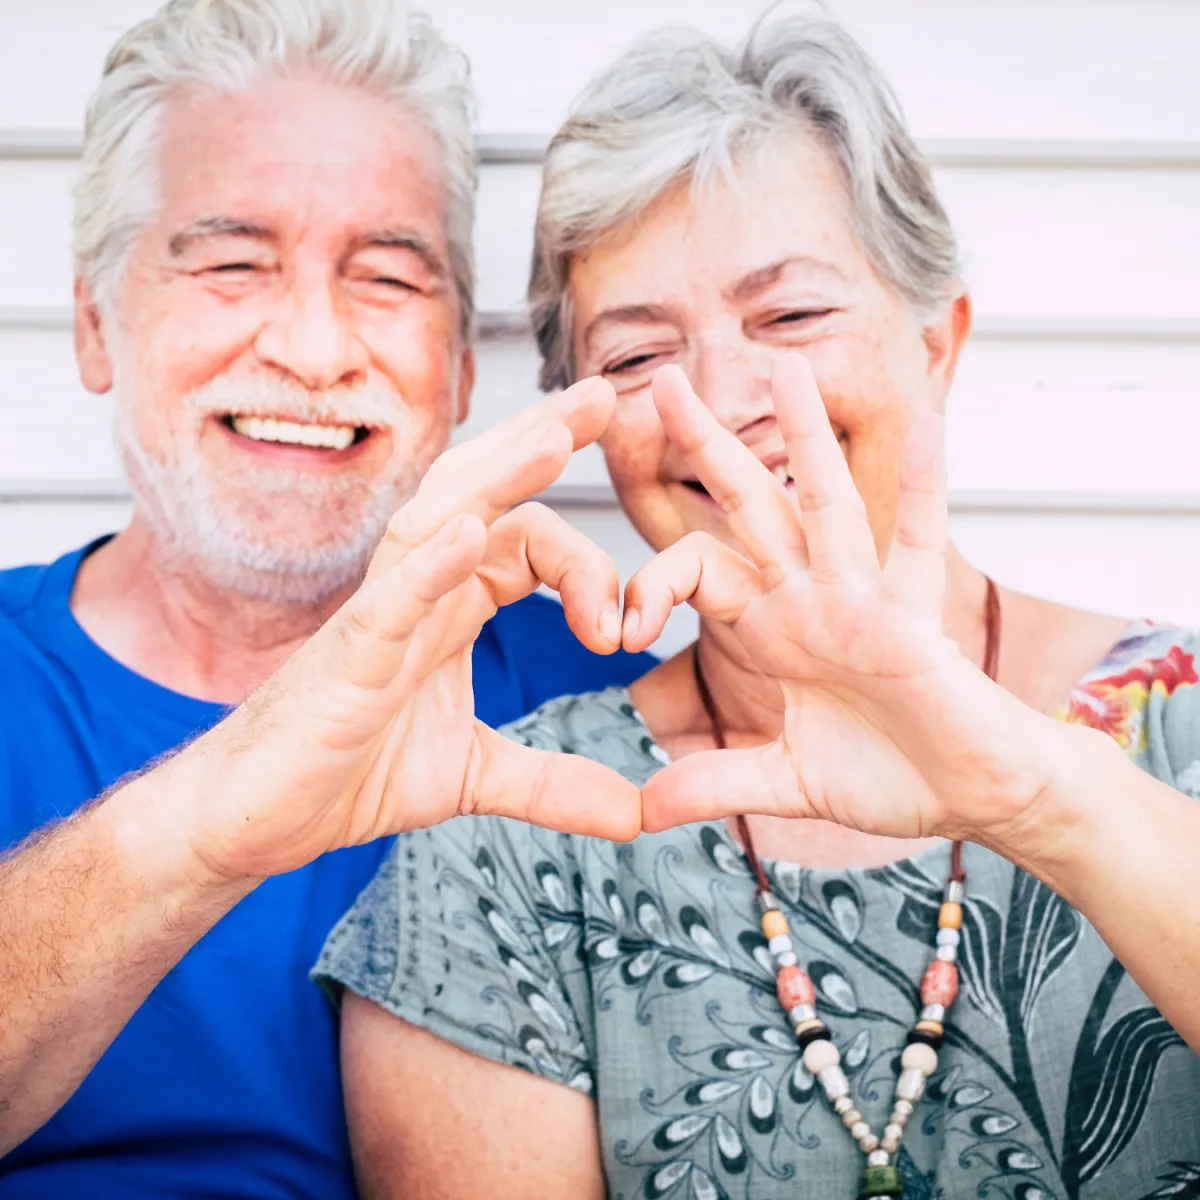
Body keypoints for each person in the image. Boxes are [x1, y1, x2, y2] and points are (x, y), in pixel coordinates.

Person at [316, 14, 1200, 1200]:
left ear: (937, 343)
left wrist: (1036, 794)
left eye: (789, 317)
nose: (720, 403)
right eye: (636, 359)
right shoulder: (513, 836)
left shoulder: (1180, 728)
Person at [0, 1, 652, 1194]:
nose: (312, 345)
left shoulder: (612, 717)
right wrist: (216, 808)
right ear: (96, 320)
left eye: (388, 277)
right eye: (234, 262)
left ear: (461, 367)